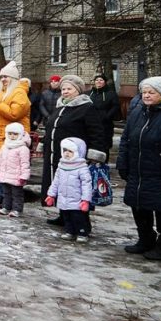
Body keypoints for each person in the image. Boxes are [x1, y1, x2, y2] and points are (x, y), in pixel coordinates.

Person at [116, 75, 161, 261]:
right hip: (138, 172)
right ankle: (145, 240)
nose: (147, 96)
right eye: (144, 92)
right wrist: (122, 163)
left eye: (152, 92)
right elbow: (126, 140)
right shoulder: (137, 113)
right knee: (139, 207)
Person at [40, 75, 105, 226]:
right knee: (63, 186)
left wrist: (94, 154)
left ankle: (82, 223)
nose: (65, 92)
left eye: (69, 89)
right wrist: (44, 143)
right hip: (58, 155)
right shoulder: (61, 106)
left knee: (76, 190)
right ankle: (64, 216)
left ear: (78, 91)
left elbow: (96, 132)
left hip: (77, 159)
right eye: (63, 89)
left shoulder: (86, 107)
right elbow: (51, 128)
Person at [0, 61, 31, 207]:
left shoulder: (19, 93)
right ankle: (1, 196)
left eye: (6, 76)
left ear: (13, 79)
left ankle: (12, 201)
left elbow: (14, 114)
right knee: (1, 168)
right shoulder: (1, 92)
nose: (3, 79)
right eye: (2, 76)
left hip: (14, 139)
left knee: (12, 170)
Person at [45, 137, 93, 242]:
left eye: (70, 151)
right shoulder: (62, 165)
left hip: (77, 199)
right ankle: (70, 231)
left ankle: (82, 232)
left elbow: (86, 185)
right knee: (66, 216)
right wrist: (51, 195)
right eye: (65, 150)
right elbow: (56, 181)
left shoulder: (82, 168)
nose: (66, 153)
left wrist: (85, 200)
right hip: (64, 198)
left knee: (78, 217)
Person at [0, 122, 30, 217]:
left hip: (16, 176)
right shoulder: (5, 145)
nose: (12, 136)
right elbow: (0, 159)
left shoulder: (23, 148)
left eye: (15, 134)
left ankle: (17, 209)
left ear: (20, 135)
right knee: (6, 193)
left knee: (16, 194)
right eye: (10, 134)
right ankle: (6, 207)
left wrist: (24, 176)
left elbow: (25, 164)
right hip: (5, 174)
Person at [88, 74, 120, 159]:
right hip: (90, 124)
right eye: (97, 80)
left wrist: (107, 116)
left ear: (105, 82)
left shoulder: (111, 93)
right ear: (94, 82)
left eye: (101, 80)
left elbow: (115, 106)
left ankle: (103, 165)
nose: (99, 82)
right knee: (91, 144)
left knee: (104, 146)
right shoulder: (89, 93)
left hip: (105, 125)